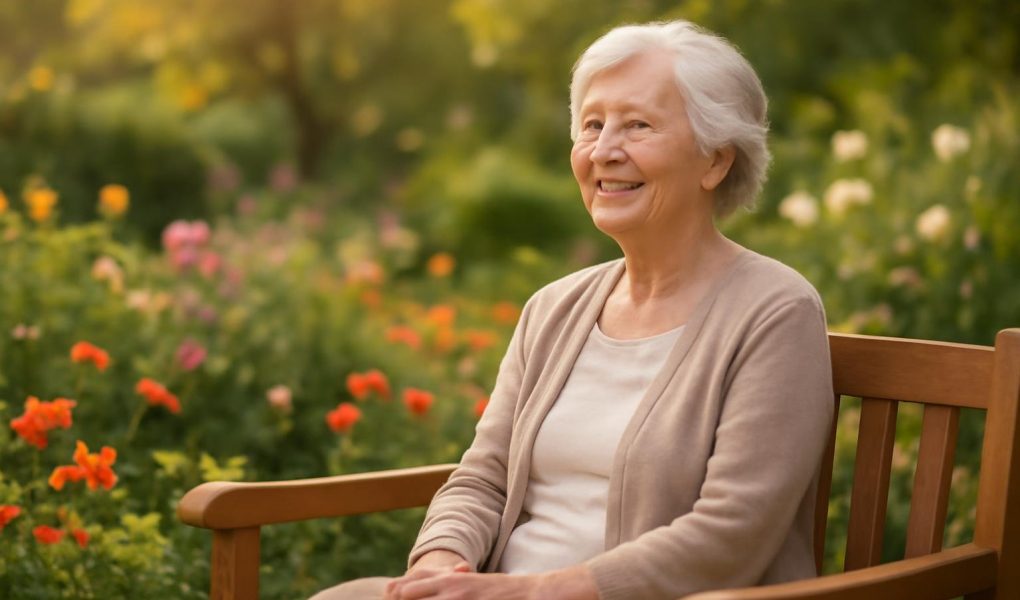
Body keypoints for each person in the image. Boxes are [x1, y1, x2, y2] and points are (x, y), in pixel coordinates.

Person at [313, 19, 833, 600]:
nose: (604, 151)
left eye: (637, 125)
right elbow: (483, 478)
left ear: (715, 161)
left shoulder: (775, 311)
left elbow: (730, 538)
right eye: (591, 125)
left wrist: (533, 591)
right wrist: (441, 565)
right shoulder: (554, 308)